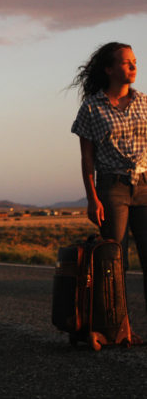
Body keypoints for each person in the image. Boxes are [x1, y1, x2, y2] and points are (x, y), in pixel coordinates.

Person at [70, 42, 147, 340]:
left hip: (145, 185)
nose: (133, 66)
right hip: (112, 187)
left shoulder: (144, 102)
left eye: (135, 61)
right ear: (109, 69)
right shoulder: (92, 107)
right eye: (126, 62)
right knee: (115, 261)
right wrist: (92, 198)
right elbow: (87, 158)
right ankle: (120, 327)